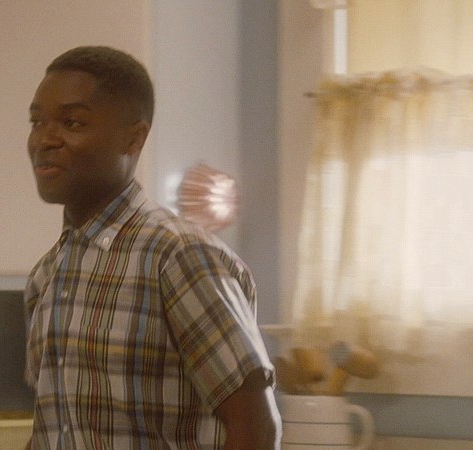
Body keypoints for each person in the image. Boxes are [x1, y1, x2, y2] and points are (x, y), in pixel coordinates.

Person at [23, 45, 281, 450]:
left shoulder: (180, 257)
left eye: (72, 122)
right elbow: (58, 431)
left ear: (133, 137)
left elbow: (257, 430)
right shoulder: (46, 276)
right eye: (37, 122)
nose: (44, 139)